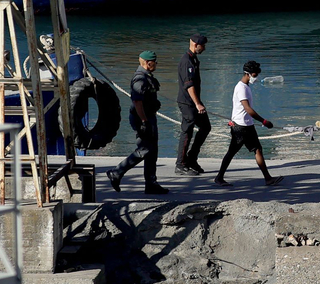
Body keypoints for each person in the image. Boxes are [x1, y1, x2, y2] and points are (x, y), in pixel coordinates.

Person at [106, 51, 169, 195]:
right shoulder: (140, 78)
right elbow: (137, 101)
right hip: (143, 119)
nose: (156, 64)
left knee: (152, 151)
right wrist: (144, 121)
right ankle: (116, 172)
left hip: (149, 117)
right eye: (155, 61)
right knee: (145, 149)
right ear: (147, 63)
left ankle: (151, 183)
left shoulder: (147, 77)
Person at [214, 61, 284, 187]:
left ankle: (268, 178)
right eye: (255, 75)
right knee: (232, 152)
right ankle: (219, 178)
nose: (256, 77)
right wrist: (263, 121)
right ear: (248, 74)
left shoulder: (246, 87)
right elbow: (247, 108)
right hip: (240, 127)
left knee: (257, 149)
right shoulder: (241, 88)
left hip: (248, 125)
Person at [175, 33, 210, 176]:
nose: (204, 48)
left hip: (195, 102)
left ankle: (191, 158)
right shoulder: (186, 61)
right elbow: (189, 85)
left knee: (206, 127)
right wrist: (197, 104)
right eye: (203, 46)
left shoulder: (193, 59)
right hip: (188, 103)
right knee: (187, 132)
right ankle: (180, 164)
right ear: (196, 45)